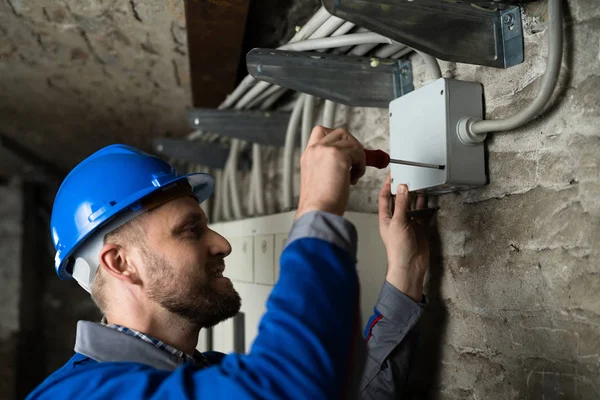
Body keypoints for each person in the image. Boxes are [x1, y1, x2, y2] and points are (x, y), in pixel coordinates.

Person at [27, 126, 429, 399]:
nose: (221, 244)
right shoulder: (80, 394)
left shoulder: (203, 374)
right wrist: (318, 208)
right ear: (121, 262)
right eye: (190, 229)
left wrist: (406, 271)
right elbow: (290, 388)